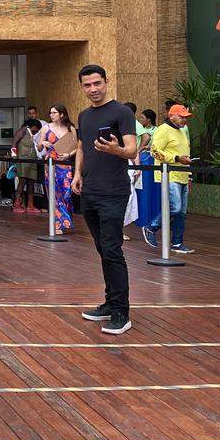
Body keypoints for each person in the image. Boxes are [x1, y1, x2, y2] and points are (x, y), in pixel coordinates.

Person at [75, 64, 139, 335]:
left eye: (97, 83)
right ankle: (110, 303)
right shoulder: (84, 115)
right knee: (104, 250)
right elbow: (80, 147)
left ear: (106, 82)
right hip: (89, 191)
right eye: (88, 85)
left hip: (113, 192)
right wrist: (77, 173)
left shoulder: (121, 112)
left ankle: (121, 313)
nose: (93, 89)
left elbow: (132, 149)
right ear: (82, 87)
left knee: (112, 250)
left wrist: (117, 150)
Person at [143, 103, 195, 254]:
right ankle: (151, 226)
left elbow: (185, 153)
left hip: (183, 175)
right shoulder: (163, 130)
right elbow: (155, 151)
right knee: (175, 206)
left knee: (182, 212)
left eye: (186, 117)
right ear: (171, 116)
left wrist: (189, 174)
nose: (184, 120)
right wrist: (177, 158)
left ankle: (177, 242)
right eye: (181, 117)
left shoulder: (182, 131)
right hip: (169, 175)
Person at [38, 105, 77, 234]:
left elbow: (78, 147)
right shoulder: (46, 128)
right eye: (50, 113)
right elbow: (38, 148)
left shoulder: (70, 128)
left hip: (65, 163)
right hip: (50, 163)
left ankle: (65, 218)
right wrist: (42, 143)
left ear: (61, 114)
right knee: (53, 193)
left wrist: (69, 155)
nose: (51, 115)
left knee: (66, 192)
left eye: (54, 113)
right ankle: (57, 223)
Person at [13, 119, 43, 213]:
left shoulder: (31, 135)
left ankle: (30, 205)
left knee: (31, 182)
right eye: (37, 129)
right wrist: (14, 157)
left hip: (32, 160)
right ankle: (16, 204)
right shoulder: (23, 130)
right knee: (22, 182)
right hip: (22, 160)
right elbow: (14, 143)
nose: (37, 131)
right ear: (33, 127)